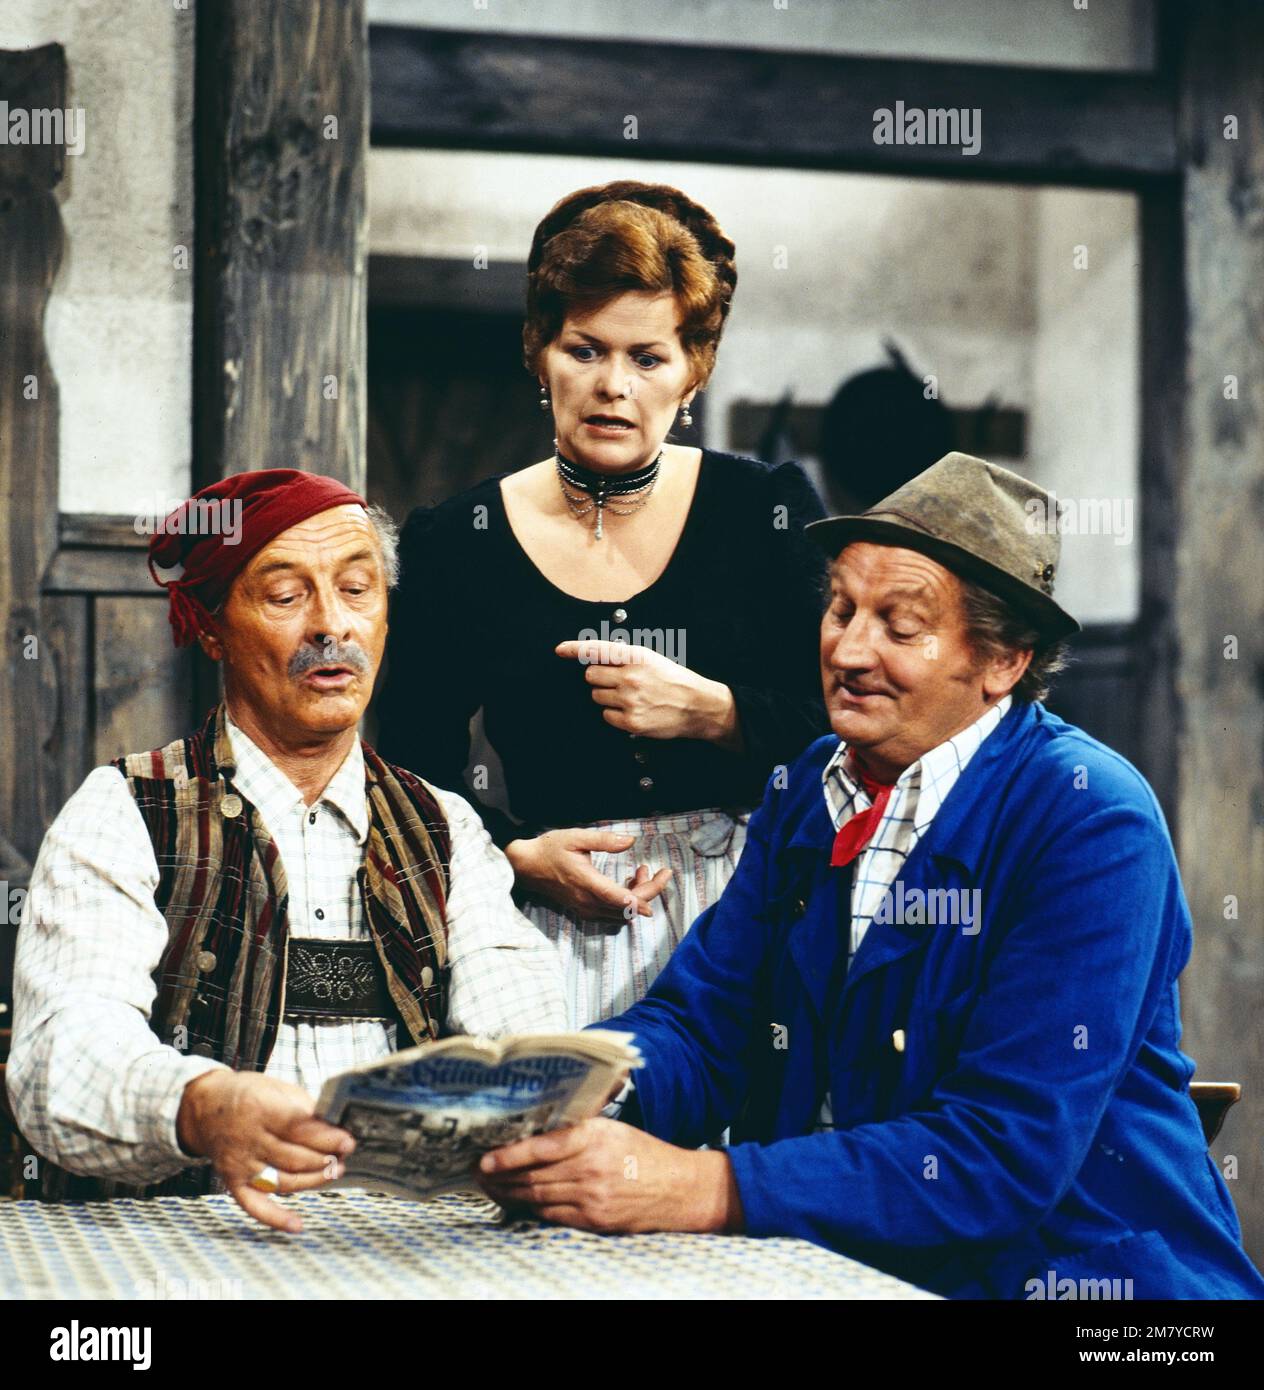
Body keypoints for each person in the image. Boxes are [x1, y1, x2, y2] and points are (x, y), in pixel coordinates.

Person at [477, 453, 1264, 1300]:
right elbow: (706, 1023)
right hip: (844, 1271)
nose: (849, 650)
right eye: (842, 608)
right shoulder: (811, 789)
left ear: (1003, 660)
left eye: (900, 624)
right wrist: (581, 1091)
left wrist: (698, 1185)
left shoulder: (1090, 820)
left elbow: (998, 1154)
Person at [8, 469, 565, 1233]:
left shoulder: (445, 826)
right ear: (211, 629)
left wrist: (528, 1094)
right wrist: (201, 1107)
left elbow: (517, 1018)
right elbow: (60, 1055)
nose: (331, 625)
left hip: (403, 1246)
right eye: (285, 596)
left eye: (358, 589)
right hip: (180, 1241)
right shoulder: (128, 813)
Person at [378, 180, 829, 1028]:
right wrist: (516, 854)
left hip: (757, 913)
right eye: (584, 350)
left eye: (647, 357)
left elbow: (853, 728)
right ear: (539, 355)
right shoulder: (458, 538)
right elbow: (411, 770)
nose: (612, 385)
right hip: (555, 919)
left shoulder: (764, 510)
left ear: (693, 372)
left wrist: (720, 713)